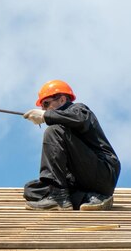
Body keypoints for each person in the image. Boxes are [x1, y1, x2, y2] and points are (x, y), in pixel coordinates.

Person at [23, 80, 120, 211]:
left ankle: (59, 197)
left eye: (46, 104)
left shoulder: (78, 109)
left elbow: (79, 118)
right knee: (32, 190)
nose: (44, 109)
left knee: (53, 131)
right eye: (42, 107)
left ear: (62, 100)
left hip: (103, 173)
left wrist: (46, 116)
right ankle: (90, 198)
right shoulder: (63, 129)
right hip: (82, 180)